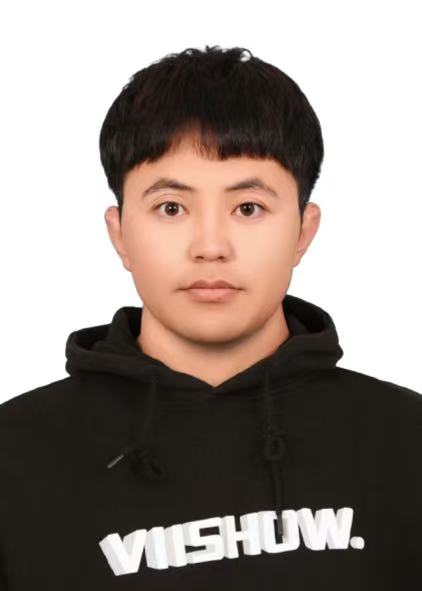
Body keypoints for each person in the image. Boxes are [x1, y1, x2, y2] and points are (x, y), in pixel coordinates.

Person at [0, 44, 421, 590]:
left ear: (303, 231)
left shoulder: (405, 443)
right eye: (171, 208)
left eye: (248, 208)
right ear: (120, 234)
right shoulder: (15, 456)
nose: (210, 246)